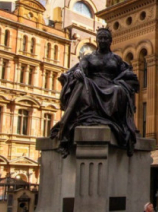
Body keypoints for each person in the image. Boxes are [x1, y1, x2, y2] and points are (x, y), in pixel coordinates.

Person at [51, 27, 139, 157]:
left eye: (106, 38)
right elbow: (80, 69)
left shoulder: (116, 59)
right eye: (100, 38)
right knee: (82, 85)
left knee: (118, 90)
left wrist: (124, 79)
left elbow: (127, 73)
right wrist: (78, 72)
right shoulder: (89, 58)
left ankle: (109, 120)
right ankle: (65, 132)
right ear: (97, 40)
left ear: (110, 41)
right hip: (92, 84)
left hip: (111, 85)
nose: (103, 40)